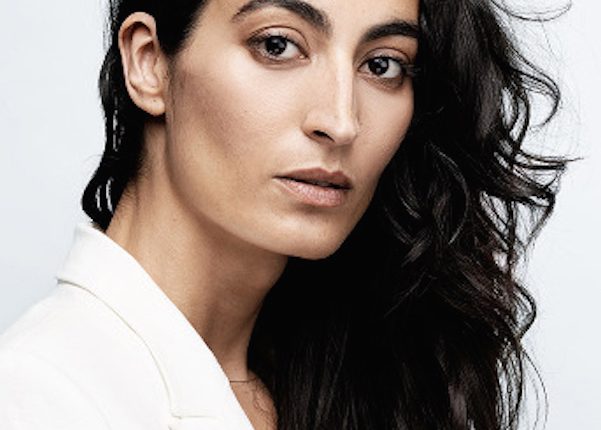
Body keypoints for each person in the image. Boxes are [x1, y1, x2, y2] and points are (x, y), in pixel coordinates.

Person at [0, 0, 568, 429]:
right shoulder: (40, 398)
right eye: (277, 45)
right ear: (149, 63)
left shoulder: (357, 374)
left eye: (383, 65)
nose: (341, 121)